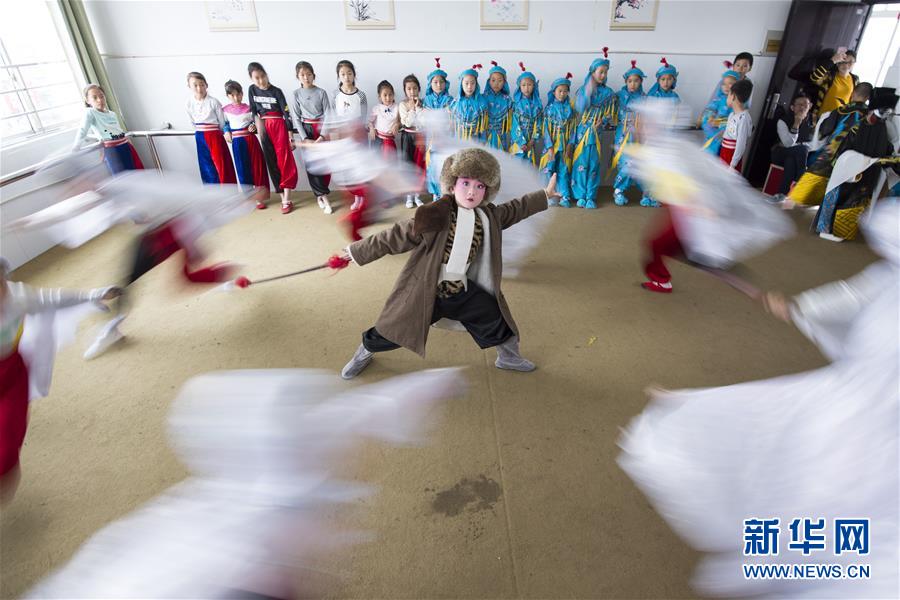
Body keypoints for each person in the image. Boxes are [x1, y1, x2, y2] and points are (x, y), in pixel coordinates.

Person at [618, 201, 899, 599]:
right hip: (860, 403)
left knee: (827, 472)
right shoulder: (889, 280)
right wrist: (800, 306)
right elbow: (855, 294)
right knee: (815, 466)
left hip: (871, 411)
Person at [339, 148, 557, 379]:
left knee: (497, 320)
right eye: (466, 183)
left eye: (480, 186)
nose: (472, 191)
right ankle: (364, 352)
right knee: (393, 329)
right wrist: (356, 252)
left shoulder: (489, 216)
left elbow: (515, 209)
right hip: (428, 291)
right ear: (452, 185)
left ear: (487, 191)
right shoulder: (434, 214)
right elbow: (395, 236)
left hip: (463, 290)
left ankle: (508, 357)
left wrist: (544, 195)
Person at [0, 258, 119, 503]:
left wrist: (92, 295)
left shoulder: (19, 297)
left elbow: (53, 299)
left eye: (0, 281)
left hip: (11, 378)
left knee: (7, 450)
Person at [785, 82, 872, 209]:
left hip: (830, 155)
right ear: (868, 98)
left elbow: (824, 131)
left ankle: (787, 209)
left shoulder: (842, 110)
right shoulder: (869, 117)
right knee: (833, 195)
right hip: (850, 161)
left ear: (853, 93)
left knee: (803, 191)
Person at [246, 62, 298, 214]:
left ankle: (287, 198)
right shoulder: (252, 90)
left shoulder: (276, 91)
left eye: (263, 76)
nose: (261, 80)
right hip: (264, 128)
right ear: (251, 79)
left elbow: (286, 113)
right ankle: (282, 197)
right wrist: (255, 124)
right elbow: (253, 111)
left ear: (266, 75)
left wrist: (290, 134)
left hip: (279, 126)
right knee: (272, 162)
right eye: (257, 78)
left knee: (284, 161)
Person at [571, 48, 618, 209]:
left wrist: (602, 122)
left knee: (593, 164)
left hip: (597, 133)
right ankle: (580, 195)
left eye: (605, 72)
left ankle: (590, 195)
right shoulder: (583, 90)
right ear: (592, 72)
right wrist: (588, 90)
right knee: (580, 163)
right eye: (600, 72)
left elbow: (610, 114)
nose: (603, 75)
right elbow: (579, 107)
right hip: (582, 133)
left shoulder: (609, 93)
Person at [291, 61, 334, 214]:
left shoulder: (321, 92)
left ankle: (320, 194)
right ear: (298, 77)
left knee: (325, 166)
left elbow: (328, 114)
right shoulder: (296, 94)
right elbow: (296, 118)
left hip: (321, 130)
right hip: (307, 131)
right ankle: (324, 198)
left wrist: (322, 136)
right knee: (312, 166)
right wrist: (304, 138)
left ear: (313, 75)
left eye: (309, 74)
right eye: (302, 75)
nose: (306, 77)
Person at [72, 84, 144, 174]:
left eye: (101, 96)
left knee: (134, 174)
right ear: (88, 100)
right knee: (120, 176)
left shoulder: (112, 114)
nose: (99, 100)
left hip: (125, 145)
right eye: (95, 97)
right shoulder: (90, 112)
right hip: (112, 149)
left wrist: (128, 141)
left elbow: (117, 130)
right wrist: (76, 148)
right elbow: (83, 130)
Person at [222, 80, 270, 209]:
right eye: (232, 95)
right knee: (242, 169)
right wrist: (226, 131)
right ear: (227, 96)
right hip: (237, 142)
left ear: (242, 94)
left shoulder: (249, 108)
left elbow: (257, 121)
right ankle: (248, 197)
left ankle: (259, 198)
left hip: (251, 140)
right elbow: (224, 124)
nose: (236, 97)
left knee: (257, 167)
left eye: (238, 94)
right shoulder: (225, 110)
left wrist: (253, 126)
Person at [613, 61, 654, 207]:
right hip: (623, 136)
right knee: (627, 162)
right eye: (630, 81)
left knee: (641, 164)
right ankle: (619, 190)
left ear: (641, 82)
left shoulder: (645, 98)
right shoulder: (618, 96)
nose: (633, 84)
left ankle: (646, 193)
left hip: (639, 136)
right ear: (625, 81)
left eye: (636, 81)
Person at [185, 72, 237, 185]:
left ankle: (228, 192)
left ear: (206, 85)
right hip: (200, 136)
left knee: (221, 165)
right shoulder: (189, 103)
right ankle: (212, 192)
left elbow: (222, 122)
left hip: (214, 135)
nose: (199, 88)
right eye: (195, 85)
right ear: (189, 86)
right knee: (206, 166)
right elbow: (192, 122)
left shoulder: (214, 102)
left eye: (202, 84)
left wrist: (223, 132)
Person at [331, 59, 369, 211]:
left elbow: (363, 118)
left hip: (358, 135)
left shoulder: (361, 95)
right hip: (343, 136)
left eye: (349, 73)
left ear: (354, 75)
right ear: (338, 76)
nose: (346, 77)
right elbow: (334, 117)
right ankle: (354, 196)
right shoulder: (335, 95)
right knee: (346, 169)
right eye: (342, 74)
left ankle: (361, 197)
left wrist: (358, 132)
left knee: (358, 168)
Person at [539, 74, 576, 207]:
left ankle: (564, 195)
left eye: (565, 91)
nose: (562, 94)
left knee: (563, 170)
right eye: (560, 91)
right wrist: (549, 147)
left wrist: (570, 145)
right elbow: (545, 130)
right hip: (552, 146)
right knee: (548, 169)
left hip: (564, 146)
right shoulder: (549, 109)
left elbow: (573, 129)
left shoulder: (570, 110)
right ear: (554, 92)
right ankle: (547, 196)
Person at [769, 93, 814, 202]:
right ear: (792, 107)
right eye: (799, 104)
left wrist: (801, 146)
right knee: (802, 149)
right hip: (780, 153)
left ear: (810, 106)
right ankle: (801, 179)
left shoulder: (813, 122)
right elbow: (788, 143)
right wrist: (796, 124)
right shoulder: (782, 121)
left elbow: (814, 145)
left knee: (791, 161)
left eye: (805, 105)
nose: (802, 107)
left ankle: (781, 195)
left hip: (798, 157)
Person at [423, 58, 454, 202]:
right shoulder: (426, 100)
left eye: (441, 82)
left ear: (446, 83)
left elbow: (451, 119)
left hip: (446, 137)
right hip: (431, 137)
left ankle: (444, 191)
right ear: (430, 84)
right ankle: (435, 193)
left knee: (444, 163)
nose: (439, 85)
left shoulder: (450, 100)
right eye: (435, 82)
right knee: (432, 164)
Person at [398, 74, 426, 208]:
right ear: (405, 90)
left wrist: (418, 107)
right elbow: (407, 123)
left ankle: (417, 195)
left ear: (419, 89)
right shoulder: (402, 105)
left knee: (419, 166)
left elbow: (422, 123)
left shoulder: (423, 103)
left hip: (419, 137)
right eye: (409, 89)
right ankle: (409, 196)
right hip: (407, 138)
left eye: (415, 88)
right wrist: (413, 109)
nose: (412, 91)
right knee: (408, 166)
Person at [699, 63, 739, 156]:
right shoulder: (718, 99)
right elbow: (710, 109)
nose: (726, 86)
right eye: (724, 84)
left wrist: (718, 122)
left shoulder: (736, 102)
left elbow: (734, 121)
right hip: (712, 132)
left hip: (725, 135)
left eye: (730, 84)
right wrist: (710, 117)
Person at [810, 47, 859, 120]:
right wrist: (832, 60)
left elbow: (856, 102)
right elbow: (814, 78)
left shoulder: (855, 80)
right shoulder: (830, 76)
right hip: (823, 118)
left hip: (839, 121)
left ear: (854, 63)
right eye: (843, 62)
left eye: (850, 62)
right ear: (837, 63)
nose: (846, 65)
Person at [509, 61, 543, 166]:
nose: (526, 88)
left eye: (529, 85)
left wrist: (532, 141)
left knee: (529, 166)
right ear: (519, 86)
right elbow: (514, 124)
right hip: (517, 140)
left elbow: (538, 124)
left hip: (530, 141)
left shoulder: (538, 105)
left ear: (534, 86)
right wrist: (521, 142)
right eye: (523, 85)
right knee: (516, 164)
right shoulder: (516, 104)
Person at [719, 78, 753, 173]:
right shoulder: (732, 115)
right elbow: (727, 134)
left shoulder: (743, 118)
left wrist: (733, 165)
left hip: (731, 157)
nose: (727, 98)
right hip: (724, 152)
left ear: (733, 96)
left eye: (728, 95)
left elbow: (741, 144)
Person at [449, 65, 488, 141]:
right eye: (466, 83)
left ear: (476, 84)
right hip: (459, 140)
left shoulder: (482, 103)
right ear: (461, 84)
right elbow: (452, 127)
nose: (469, 87)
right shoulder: (455, 103)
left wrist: (483, 142)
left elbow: (483, 127)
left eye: (472, 83)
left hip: (476, 141)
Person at [483, 61, 513, 151]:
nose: (496, 83)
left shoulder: (508, 100)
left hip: (501, 135)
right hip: (485, 134)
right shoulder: (482, 98)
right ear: (489, 81)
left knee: (501, 157)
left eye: (500, 81)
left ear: (504, 82)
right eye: (493, 80)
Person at [368, 80, 399, 161]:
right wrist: (371, 129)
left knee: (390, 162)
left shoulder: (397, 107)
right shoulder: (377, 108)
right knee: (376, 161)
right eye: (385, 95)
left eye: (390, 94)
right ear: (380, 97)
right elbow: (370, 121)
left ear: (393, 95)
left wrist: (397, 124)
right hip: (378, 139)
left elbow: (400, 121)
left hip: (389, 140)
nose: (388, 98)